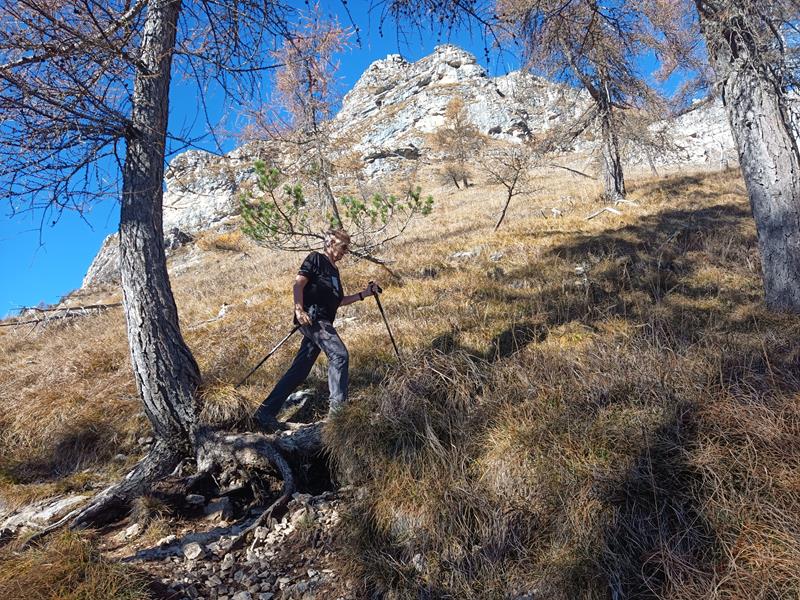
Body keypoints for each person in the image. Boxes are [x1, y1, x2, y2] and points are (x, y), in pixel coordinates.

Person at [253, 229, 379, 431]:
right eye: (343, 246)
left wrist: (364, 294)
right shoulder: (316, 259)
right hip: (313, 320)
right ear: (330, 242)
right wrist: (299, 310)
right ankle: (338, 415)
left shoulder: (334, 272)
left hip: (323, 321)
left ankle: (264, 413)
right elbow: (298, 284)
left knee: (299, 371)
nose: (345, 252)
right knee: (339, 355)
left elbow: (338, 301)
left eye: (347, 248)